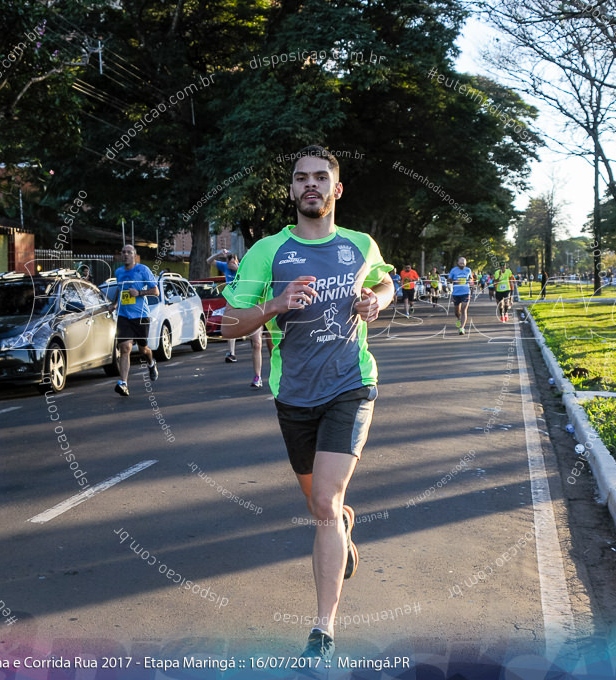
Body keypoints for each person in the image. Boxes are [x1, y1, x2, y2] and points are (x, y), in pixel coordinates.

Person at [221, 146, 394, 664]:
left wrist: (377, 300)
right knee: (322, 506)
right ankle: (342, 526)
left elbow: (385, 279)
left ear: (336, 190)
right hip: (293, 395)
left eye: (322, 178)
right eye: (302, 179)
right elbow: (227, 324)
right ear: (292, 190)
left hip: (351, 385)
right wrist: (272, 305)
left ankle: (323, 632)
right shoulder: (266, 252)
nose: (311, 186)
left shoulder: (360, 243)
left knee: (322, 504)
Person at [208, 249, 266, 387]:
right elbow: (209, 261)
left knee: (257, 343)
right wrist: (218, 254)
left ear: (237, 261)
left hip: (252, 306)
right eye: (228, 262)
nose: (230, 264)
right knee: (230, 329)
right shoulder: (224, 266)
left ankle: (258, 376)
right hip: (234, 305)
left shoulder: (244, 269)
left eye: (232, 261)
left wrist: (238, 269)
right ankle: (231, 353)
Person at [111, 244, 159, 396]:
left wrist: (138, 292)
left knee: (143, 349)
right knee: (125, 348)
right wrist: (114, 303)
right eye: (123, 252)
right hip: (124, 316)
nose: (125, 255)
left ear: (134, 256)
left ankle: (151, 363)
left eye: (129, 252)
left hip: (141, 316)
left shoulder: (142, 270)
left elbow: (155, 291)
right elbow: (120, 289)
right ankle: (124, 383)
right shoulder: (118, 272)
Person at [448, 256, 473, 335]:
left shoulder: (468, 270)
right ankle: (459, 318)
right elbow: (449, 279)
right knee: (457, 311)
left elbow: (471, 278)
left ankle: (462, 328)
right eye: (461, 263)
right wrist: (455, 280)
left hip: (466, 292)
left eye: (464, 263)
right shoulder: (453, 270)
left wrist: (470, 281)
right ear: (458, 263)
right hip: (456, 293)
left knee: (463, 309)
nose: (462, 264)